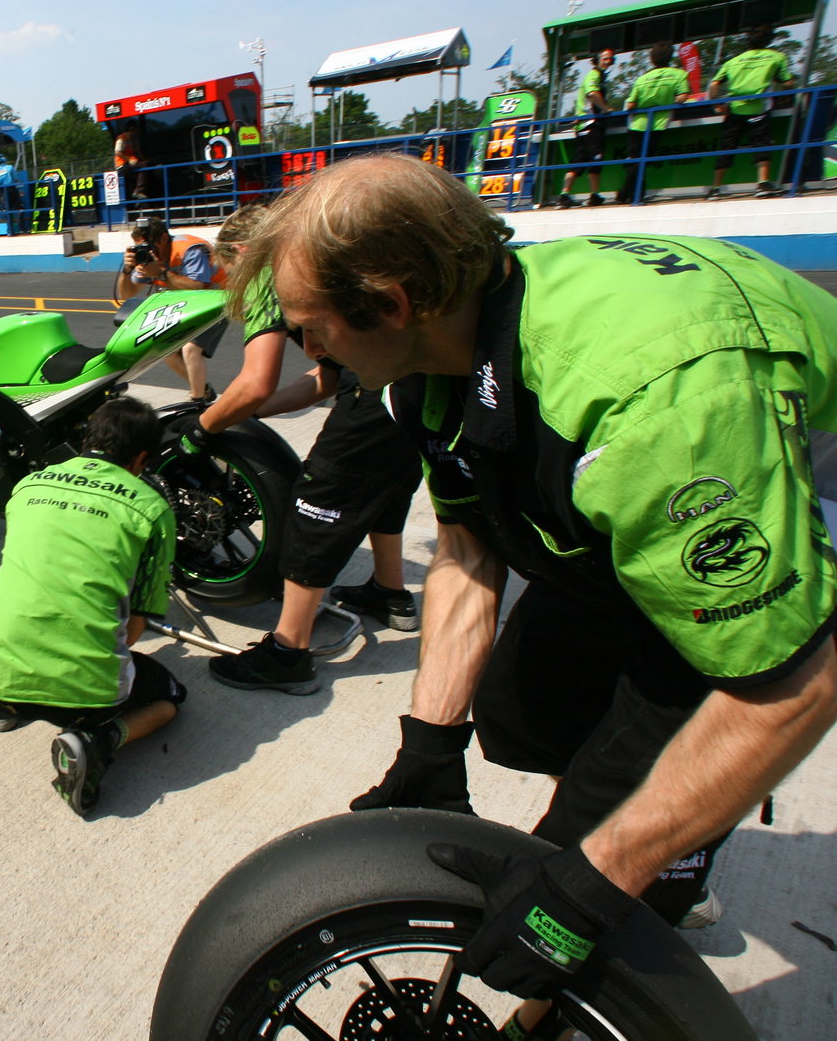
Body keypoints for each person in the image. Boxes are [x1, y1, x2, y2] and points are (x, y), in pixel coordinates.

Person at [230, 153, 836, 1014]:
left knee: (596, 848)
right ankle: (650, 802)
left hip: (765, 461)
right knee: (518, 712)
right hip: (640, 486)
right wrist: (429, 742)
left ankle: (675, 857)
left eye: (309, 327)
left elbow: (798, 681)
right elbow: (471, 552)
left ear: (393, 302)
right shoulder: (430, 359)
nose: (306, 350)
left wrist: (602, 870)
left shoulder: (656, 409)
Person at [171, 204, 422, 694]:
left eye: (231, 273)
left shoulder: (270, 265)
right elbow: (327, 378)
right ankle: (391, 595)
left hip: (381, 387)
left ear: (242, 253)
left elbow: (257, 381)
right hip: (418, 381)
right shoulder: (321, 258)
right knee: (385, 486)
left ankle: (288, 653)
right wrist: (250, 413)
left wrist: (198, 430)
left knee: (315, 502)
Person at [0, 397, 186, 817]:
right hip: (93, 701)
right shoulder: (153, 509)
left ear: (87, 440)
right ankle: (98, 741)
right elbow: (134, 632)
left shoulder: (29, 485)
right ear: (141, 459)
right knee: (170, 700)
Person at [116, 216, 224, 401]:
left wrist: (161, 273)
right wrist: (127, 270)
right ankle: (203, 390)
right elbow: (127, 294)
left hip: (218, 297)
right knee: (169, 352)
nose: (146, 252)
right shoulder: (149, 259)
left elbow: (198, 287)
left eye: (149, 246)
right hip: (190, 302)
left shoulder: (190, 250)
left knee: (190, 349)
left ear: (164, 239)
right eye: (139, 248)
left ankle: (196, 401)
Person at [708, 24, 795, 199]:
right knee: (762, 143)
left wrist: (718, 105)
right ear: (770, 40)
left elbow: (714, 84)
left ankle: (715, 189)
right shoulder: (777, 57)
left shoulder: (733, 61)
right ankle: (762, 184)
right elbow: (788, 83)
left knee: (727, 147)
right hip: (759, 109)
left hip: (734, 109)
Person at [615, 42, 691, 205]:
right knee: (642, 160)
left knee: (635, 160)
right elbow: (683, 96)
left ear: (652, 59)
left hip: (637, 124)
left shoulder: (642, 79)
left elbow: (630, 105)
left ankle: (629, 194)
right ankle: (630, 193)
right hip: (658, 124)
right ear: (670, 57)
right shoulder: (679, 75)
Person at [556, 47, 615, 209]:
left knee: (578, 161)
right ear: (597, 59)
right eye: (605, 58)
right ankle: (594, 195)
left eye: (611, 58)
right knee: (594, 160)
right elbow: (592, 94)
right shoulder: (594, 75)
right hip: (591, 124)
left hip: (583, 124)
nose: (609, 61)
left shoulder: (599, 75)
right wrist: (606, 108)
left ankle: (564, 195)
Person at [115, 121, 148, 200]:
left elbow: (137, 152)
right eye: (136, 129)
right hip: (122, 164)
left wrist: (145, 160)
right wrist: (129, 160)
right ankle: (138, 191)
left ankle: (139, 199)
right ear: (132, 129)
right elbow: (117, 152)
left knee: (144, 167)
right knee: (143, 167)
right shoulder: (122, 138)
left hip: (131, 164)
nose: (138, 131)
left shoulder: (134, 140)